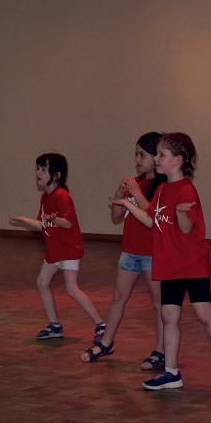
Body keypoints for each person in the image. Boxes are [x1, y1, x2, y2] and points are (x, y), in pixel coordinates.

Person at [112, 133, 211, 399]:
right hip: (169, 264)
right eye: (157, 154)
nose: (157, 159)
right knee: (169, 316)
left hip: (191, 264)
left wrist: (181, 214)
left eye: (162, 155)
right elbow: (152, 221)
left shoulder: (186, 190)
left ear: (178, 160)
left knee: (204, 314)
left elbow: (185, 228)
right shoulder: (162, 190)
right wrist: (127, 204)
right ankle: (171, 372)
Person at [80, 132, 166, 370]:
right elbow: (117, 218)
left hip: (153, 254)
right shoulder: (136, 183)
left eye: (142, 155)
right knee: (118, 298)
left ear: (156, 157)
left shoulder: (163, 187)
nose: (138, 160)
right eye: (136, 155)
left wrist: (135, 193)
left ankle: (161, 350)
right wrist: (119, 195)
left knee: (159, 303)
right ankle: (106, 342)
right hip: (130, 251)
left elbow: (153, 215)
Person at [9, 153, 105, 342]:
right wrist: (22, 219)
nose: (38, 173)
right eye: (37, 168)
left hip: (68, 249)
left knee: (72, 289)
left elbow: (68, 223)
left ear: (57, 175)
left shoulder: (62, 196)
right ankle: (54, 326)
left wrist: (56, 219)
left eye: (43, 169)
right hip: (54, 250)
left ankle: (101, 325)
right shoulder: (45, 197)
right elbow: (41, 225)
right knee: (42, 282)